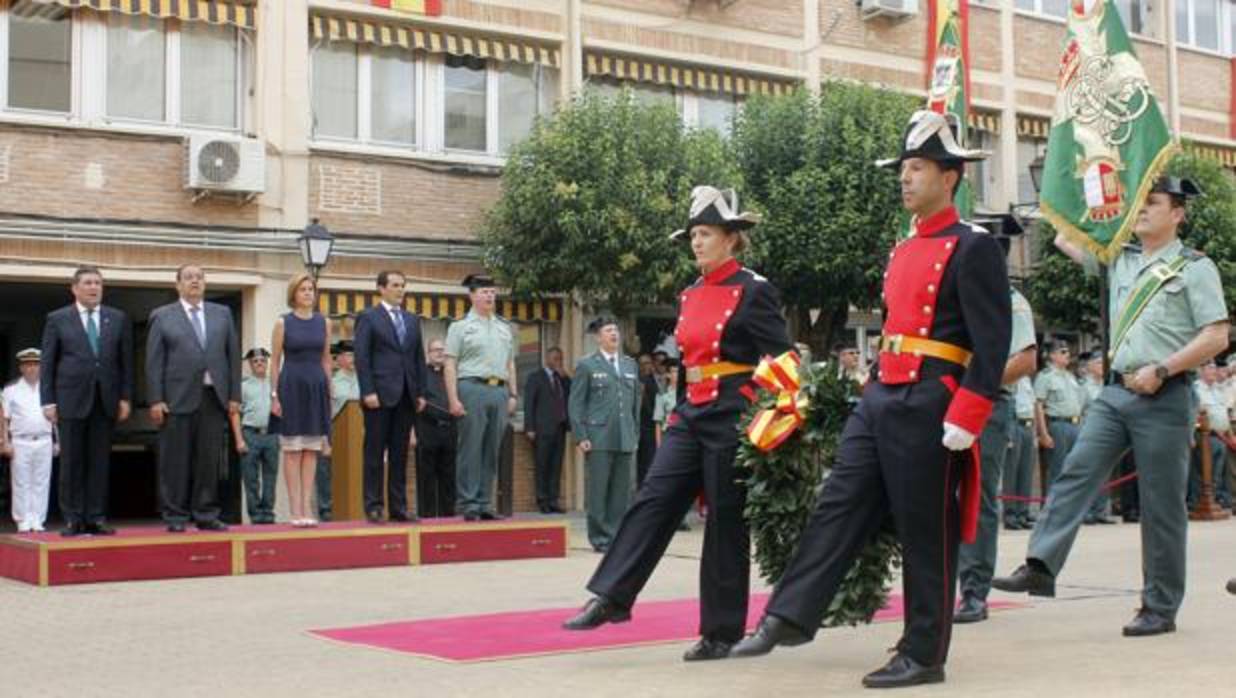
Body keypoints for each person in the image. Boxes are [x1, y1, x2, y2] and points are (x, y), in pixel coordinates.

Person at [730, 110, 1011, 688]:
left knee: (922, 531)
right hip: (883, 394)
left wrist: (970, 411)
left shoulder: (973, 246)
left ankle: (924, 652)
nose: (905, 179)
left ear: (949, 175)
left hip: (934, 399)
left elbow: (992, 339)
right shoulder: (902, 247)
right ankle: (789, 616)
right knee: (838, 502)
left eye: (916, 167)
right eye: (903, 168)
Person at [562, 185, 791, 662]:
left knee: (726, 522)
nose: (696, 242)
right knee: (652, 498)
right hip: (692, 409)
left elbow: (783, 360)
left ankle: (721, 632)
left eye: (705, 233)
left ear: (732, 239)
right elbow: (690, 362)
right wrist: (684, 404)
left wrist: (767, 415)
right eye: (693, 234)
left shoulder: (755, 289)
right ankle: (612, 596)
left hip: (735, 409)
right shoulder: (688, 294)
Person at [993, 176, 1229, 637]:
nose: (1141, 209)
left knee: (1162, 507)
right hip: (1116, 393)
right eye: (1138, 202)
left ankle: (1159, 606)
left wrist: (1162, 369)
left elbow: (1216, 335)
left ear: (1177, 214)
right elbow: (1064, 237)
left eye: (1152, 202)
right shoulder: (1119, 259)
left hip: (1166, 393)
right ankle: (1041, 563)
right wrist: (1087, 179)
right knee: (1076, 471)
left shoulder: (1195, 268)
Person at [954, 221, 1038, 625]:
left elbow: (1024, 360)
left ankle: (974, 591)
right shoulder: (954, 296)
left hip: (985, 406)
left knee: (977, 498)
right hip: (941, 404)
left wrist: (975, 383)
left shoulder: (1010, 300)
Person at [146, 264, 240, 533]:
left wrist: (234, 395)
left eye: (199, 277)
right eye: (188, 278)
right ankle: (175, 515)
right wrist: (155, 399)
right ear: (178, 285)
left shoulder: (222, 314)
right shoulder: (162, 316)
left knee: (208, 460)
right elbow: (154, 361)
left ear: (205, 284)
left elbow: (232, 356)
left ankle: (206, 513)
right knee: (175, 461)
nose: (194, 281)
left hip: (213, 397)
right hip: (175, 399)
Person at [39, 266, 132, 536]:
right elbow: (48, 362)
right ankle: (72, 518)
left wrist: (125, 397)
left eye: (98, 283)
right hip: (70, 400)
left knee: (99, 462)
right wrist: (48, 401)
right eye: (88, 283)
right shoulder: (57, 319)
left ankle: (96, 517)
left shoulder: (117, 318)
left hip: (105, 400)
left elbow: (125, 362)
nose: (94, 288)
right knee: (71, 463)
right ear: (75, 288)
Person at [354, 270, 425, 523]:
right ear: (381, 289)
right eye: (395, 285)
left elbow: (418, 358)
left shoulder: (412, 319)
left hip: (406, 395)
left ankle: (399, 507)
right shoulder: (368, 317)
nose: (400, 290)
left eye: (403, 285)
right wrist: (367, 391)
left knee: (399, 453)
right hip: (379, 395)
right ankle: (373, 505)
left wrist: (420, 392)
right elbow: (362, 358)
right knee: (374, 453)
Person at [444, 273, 515, 522]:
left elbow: (510, 362)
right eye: (484, 291)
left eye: (492, 291)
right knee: (471, 447)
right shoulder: (460, 326)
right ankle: (468, 502)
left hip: (499, 391)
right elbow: (450, 364)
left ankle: (485, 502)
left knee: (491, 449)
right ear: (472, 295)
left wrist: (512, 393)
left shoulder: (504, 327)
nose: (489, 295)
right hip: (471, 388)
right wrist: (453, 398)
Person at [568, 318, 640, 552]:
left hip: (624, 436)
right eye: (608, 331)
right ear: (598, 337)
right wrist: (581, 435)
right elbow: (576, 403)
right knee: (599, 491)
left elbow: (635, 404)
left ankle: (616, 536)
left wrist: (634, 433)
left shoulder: (630, 365)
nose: (614, 334)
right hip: (598, 436)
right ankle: (600, 538)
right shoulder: (587, 365)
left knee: (621, 492)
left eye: (616, 330)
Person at [270, 274, 333, 528]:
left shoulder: (324, 322)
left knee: (311, 450)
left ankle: (307, 506)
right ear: (293, 294)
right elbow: (274, 361)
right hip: (291, 386)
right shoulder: (282, 322)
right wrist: (275, 395)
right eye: (303, 289)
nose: (308, 293)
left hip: (316, 387)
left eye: (311, 289)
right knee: (293, 450)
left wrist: (329, 390)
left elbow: (326, 359)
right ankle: (294, 510)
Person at [3, 349, 56, 532]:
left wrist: (59, 440)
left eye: (36, 364)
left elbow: (56, 417)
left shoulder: (49, 387)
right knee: (21, 481)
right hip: (20, 440)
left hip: (44, 439)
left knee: (42, 481)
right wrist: (4, 442)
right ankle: (22, 519)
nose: (32, 368)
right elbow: (4, 418)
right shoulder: (11, 390)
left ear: (41, 367)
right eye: (28, 365)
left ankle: (38, 519)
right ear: (21, 367)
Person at [231, 348, 278, 524]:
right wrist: (239, 439)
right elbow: (234, 413)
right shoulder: (243, 387)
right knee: (251, 479)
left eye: (263, 361)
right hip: (250, 434)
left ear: (267, 363)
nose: (260, 364)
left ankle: (268, 513)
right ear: (250, 365)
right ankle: (256, 515)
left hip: (272, 434)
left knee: (270, 477)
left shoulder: (275, 384)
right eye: (256, 361)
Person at [523, 346, 570, 513]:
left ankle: (553, 500)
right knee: (542, 465)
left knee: (556, 466)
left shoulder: (562, 379)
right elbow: (528, 403)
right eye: (555, 358)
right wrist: (529, 427)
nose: (558, 362)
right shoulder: (536, 377)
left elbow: (570, 397)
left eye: (560, 358)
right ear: (547, 360)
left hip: (560, 428)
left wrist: (565, 378)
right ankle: (542, 501)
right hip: (542, 429)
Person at [1034, 340, 1084, 493]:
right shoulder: (1045, 376)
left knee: (1074, 469)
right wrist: (1043, 433)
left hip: (1075, 425)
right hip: (1058, 425)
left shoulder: (1070, 376)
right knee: (1057, 469)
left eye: (1067, 351)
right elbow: (1038, 405)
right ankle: (1053, 510)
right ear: (1052, 356)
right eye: (1063, 351)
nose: (1067, 354)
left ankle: (1068, 509)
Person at [318, 340, 359, 521]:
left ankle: (357, 506)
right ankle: (326, 509)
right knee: (327, 473)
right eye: (350, 355)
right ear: (339, 359)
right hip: (334, 431)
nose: (354, 358)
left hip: (358, 434)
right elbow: (323, 412)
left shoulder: (364, 381)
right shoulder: (331, 382)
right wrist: (324, 439)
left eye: (355, 354)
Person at [415, 339, 457, 518]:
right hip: (427, 429)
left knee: (449, 477)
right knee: (427, 477)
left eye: (443, 350)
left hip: (449, 430)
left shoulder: (451, 374)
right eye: (435, 350)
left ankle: (448, 516)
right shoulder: (420, 374)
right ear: (428, 354)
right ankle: (428, 516)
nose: (440, 353)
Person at [1079, 351, 1117, 525]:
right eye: (1097, 363)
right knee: (1089, 472)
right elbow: (1078, 411)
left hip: (1107, 433)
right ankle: (1087, 511)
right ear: (1088, 367)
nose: (1102, 367)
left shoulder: (1107, 385)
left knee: (1105, 473)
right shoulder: (1083, 387)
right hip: (1089, 432)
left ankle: (1100, 510)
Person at [1189, 359, 1231, 509]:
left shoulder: (1217, 389)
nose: (1213, 371)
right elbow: (1193, 413)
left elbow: (1224, 412)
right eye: (1210, 368)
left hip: (1221, 437)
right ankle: (1197, 503)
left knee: (1217, 473)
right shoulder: (1196, 389)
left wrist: (1229, 436)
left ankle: (1213, 501)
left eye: (1214, 368)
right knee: (1202, 472)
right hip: (1204, 436)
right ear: (1201, 371)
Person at [1003, 375, 1038, 530]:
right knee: (1012, 472)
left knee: (1026, 471)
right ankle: (1010, 515)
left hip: (1028, 425)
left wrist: (1035, 433)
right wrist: (1008, 433)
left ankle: (1023, 512)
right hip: (1015, 424)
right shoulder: (1013, 376)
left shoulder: (1027, 379)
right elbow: (1008, 406)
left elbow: (1033, 406)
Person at [635, 353, 660, 487]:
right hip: (643, 426)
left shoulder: (653, 380)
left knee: (652, 459)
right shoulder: (639, 381)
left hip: (653, 426)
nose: (646, 366)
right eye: (643, 364)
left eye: (648, 363)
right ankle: (643, 488)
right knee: (645, 461)